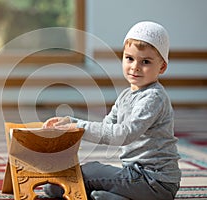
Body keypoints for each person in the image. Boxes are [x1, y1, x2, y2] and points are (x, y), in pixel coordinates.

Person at [42, 21, 181, 200]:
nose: (135, 67)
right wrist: (71, 125)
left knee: (88, 172)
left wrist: (78, 125)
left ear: (162, 67)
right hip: (134, 175)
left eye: (145, 61)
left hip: (154, 181)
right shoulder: (126, 95)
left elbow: (123, 134)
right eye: (129, 58)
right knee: (94, 189)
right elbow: (106, 127)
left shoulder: (153, 97)